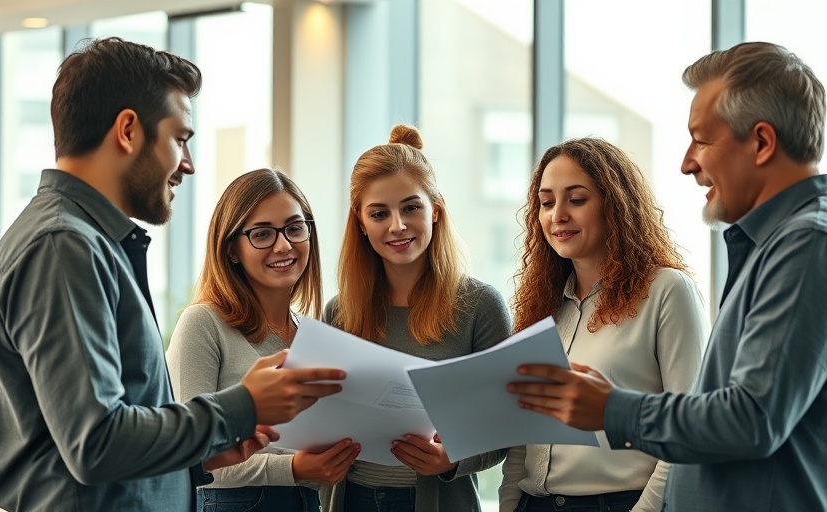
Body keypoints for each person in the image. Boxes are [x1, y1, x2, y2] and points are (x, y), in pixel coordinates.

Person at [508, 42, 827, 511]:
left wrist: (611, 409)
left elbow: (752, 419)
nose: (687, 162)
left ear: (762, 143)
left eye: (701, 140)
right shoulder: (778, 246)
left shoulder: (813, 244)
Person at [0, 37, 346, 512]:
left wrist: (204, 456)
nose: (188, 165)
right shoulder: (64, 246)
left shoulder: (82, 243)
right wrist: (243, 406)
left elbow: (104, 446)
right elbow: (95, 443)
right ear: (129, 130)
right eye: (180, 139)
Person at [498, 138, 708, 512]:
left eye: (576, 199)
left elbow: (687, 437)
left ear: (615, 206)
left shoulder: (667, 291)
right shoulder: (542, 305)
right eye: (547, 202)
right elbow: (522, 435)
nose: (557, 215)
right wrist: (510, 504)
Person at [322, 124, 512, 512]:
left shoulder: (480, 306)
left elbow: (505, 429)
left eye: (411, 207)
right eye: (379, 213)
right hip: (351, 500)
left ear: (436, 210)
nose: (397, 225)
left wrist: (453, 459)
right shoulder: (339, 311)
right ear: (360, 222)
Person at [166, 168, 360, 511]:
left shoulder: (314, 335)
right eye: (262, 234)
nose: (283, 245)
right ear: (232, 251)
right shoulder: (202, 324)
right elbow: (187, 455)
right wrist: (293, 468)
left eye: (294, 228)